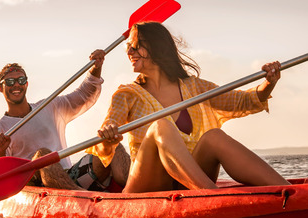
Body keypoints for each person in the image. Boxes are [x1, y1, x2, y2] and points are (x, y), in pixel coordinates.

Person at [88, 22, 290, 193]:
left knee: (214, 136)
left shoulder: (193, 86)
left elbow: (243, 101)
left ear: (156, 47)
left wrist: (269, 82)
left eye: (135, 46)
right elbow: (109, 128)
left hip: (187, 183)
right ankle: (212, 196)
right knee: (161, 126)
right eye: (128, 48)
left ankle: (290, 192)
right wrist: (108, 134)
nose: (129, 53)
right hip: (147, 185)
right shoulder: (127, 93)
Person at [0, 51, 129, 191]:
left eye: (21, 80)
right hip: (34, 185)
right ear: (0, 87)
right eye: (9, 82)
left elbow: (84, 94)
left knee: (111, 145)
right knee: (43, 155)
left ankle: (136, 190)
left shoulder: (48, 106)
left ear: (26, 84)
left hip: (68, 177)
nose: (16, 85)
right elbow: (3, 173)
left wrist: (96, 67)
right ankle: (79, 197)